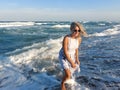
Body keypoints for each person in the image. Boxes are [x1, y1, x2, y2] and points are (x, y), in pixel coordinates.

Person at [59, 22, 87, 90]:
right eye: (75, 30)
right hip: (64, 56)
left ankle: (65, 75)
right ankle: (62, 83)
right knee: (68, 74)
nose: (77, 32)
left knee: (70, 73)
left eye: (78, 30)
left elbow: (76, 49)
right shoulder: (66, 38)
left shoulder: (79, 39)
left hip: (72, 56)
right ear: (71, 29)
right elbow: (65, 52)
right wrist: (71, 62)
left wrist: (77, 59)